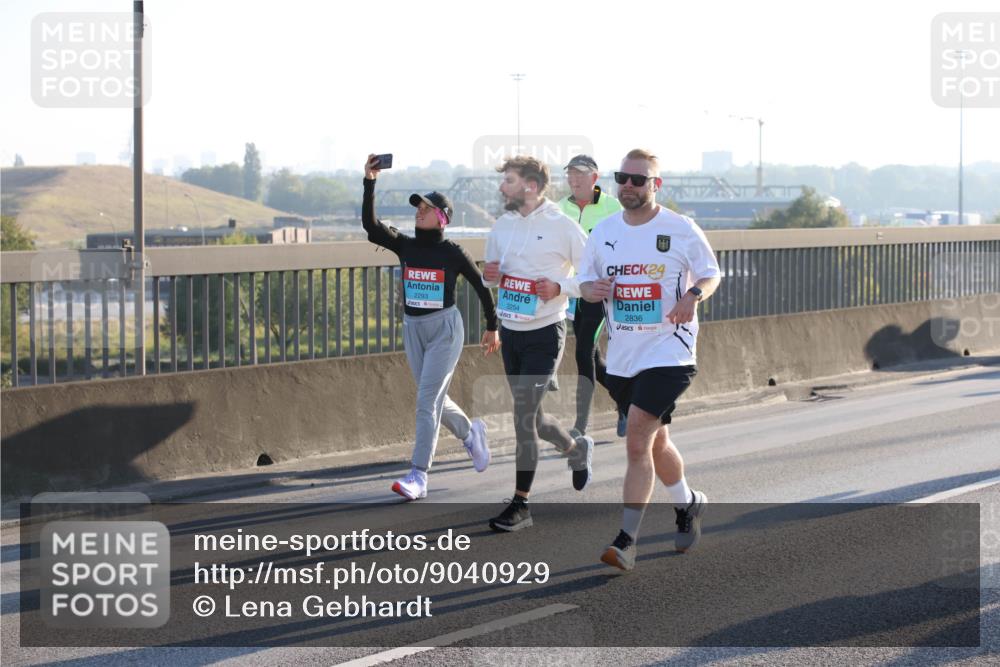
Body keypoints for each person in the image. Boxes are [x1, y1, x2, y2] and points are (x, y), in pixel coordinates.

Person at [578, 149, 722, 570]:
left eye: (639, 180)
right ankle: (688, 504)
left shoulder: (680, 228)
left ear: (656, 185)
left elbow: (711, 273)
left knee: (637, 438)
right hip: (624, 356)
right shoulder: (603, 232)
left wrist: (693, 296)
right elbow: (586, 282)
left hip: (670, 351)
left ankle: (626, 540)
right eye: (623, 177)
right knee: (658, 440)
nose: (628, 185)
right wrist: (593, 290)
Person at [362, 154, 501, 501]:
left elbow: (482, 286)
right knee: (435, 398)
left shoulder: (453, 252)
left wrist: (491, 326)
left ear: (441, 218)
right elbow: (370, 226)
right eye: (417, 207)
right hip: (413, 328)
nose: (417, 211)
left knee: (426, 401)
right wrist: (370, 181)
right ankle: (472, 435)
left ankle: (418, 475)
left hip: (445, 331)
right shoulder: (405, 245)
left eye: (425, 208)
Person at [482, 155, 593, 532]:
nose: (502, 187)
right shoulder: (502, 226)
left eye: (509, 181)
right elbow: (492, 275)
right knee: (537, 419)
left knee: (522, 417)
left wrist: (561, 287)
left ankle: (521, 505)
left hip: (546, 332)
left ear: (530, 186)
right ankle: (576, 450)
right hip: (511, 330)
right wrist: (489, 275)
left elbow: (594, 274)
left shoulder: (562, 227)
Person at [557, 154, 625, 438]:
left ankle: (580, 426)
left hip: (599, 292)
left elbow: (626, 244)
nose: (573, 179)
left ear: (595, 178)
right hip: (573, 293)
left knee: (583, 351)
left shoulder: (612, 207)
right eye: (570, 173)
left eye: (580, 174)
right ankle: (626, 402)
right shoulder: (560, 208)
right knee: (593, 358)